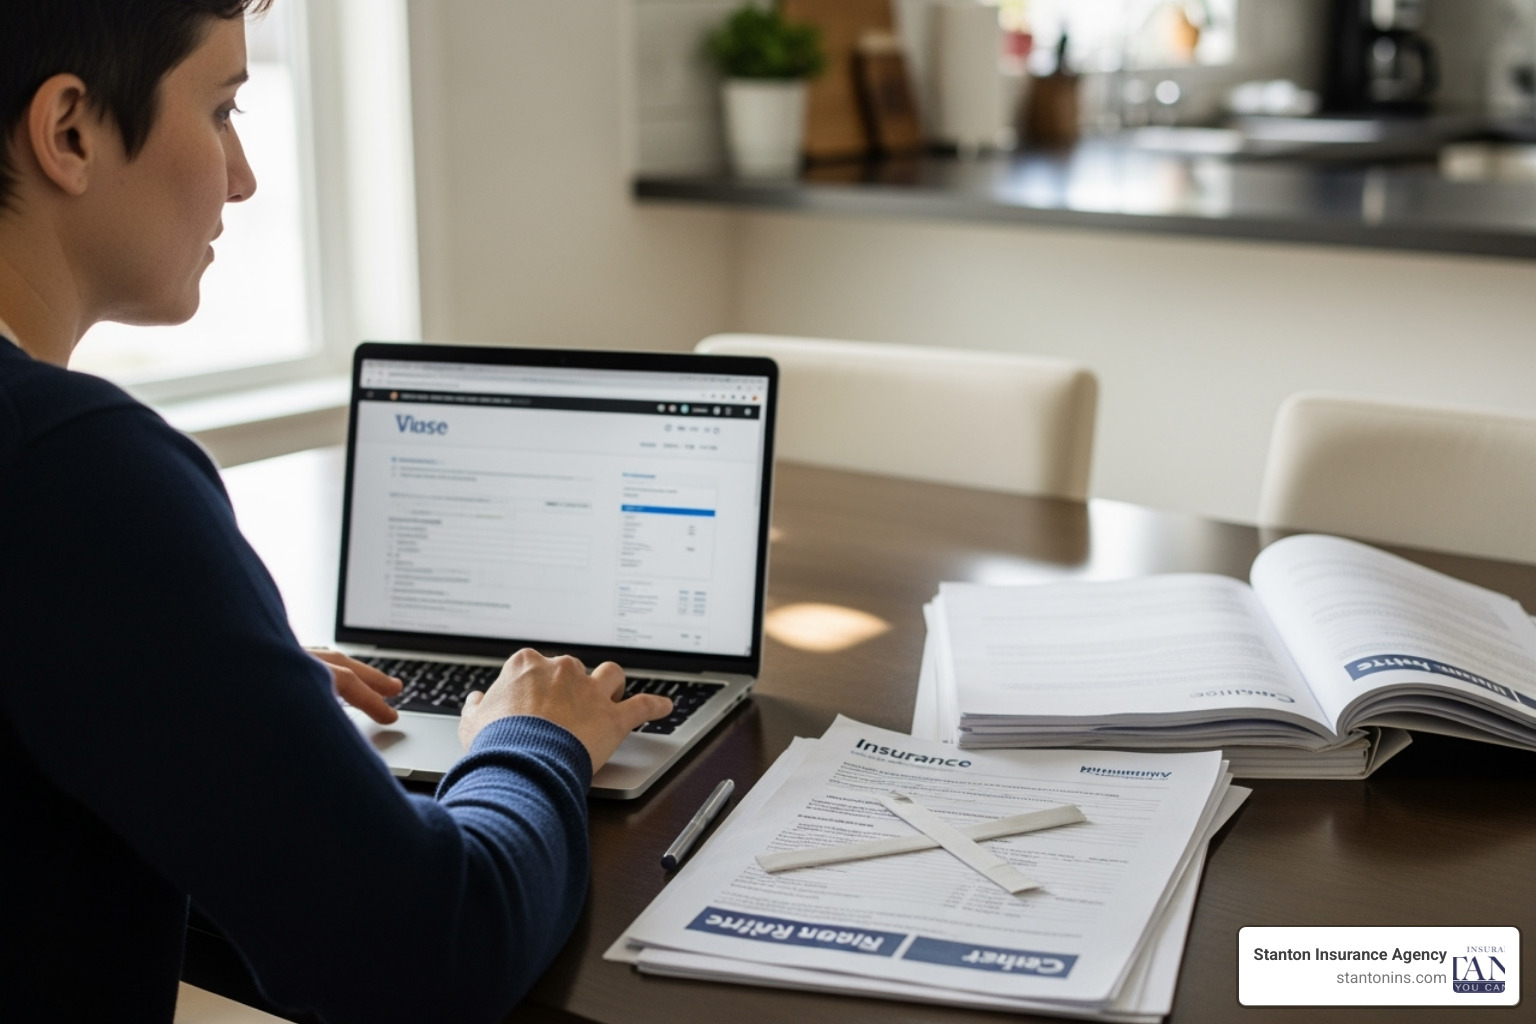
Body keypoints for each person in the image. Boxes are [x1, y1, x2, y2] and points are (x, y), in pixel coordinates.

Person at [0, 2, 671, 1021]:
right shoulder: (72, 470)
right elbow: (428, 956)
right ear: (70, 132)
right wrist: (533, 739)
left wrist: (197, 691)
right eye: (222, 109)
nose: (243, 175)